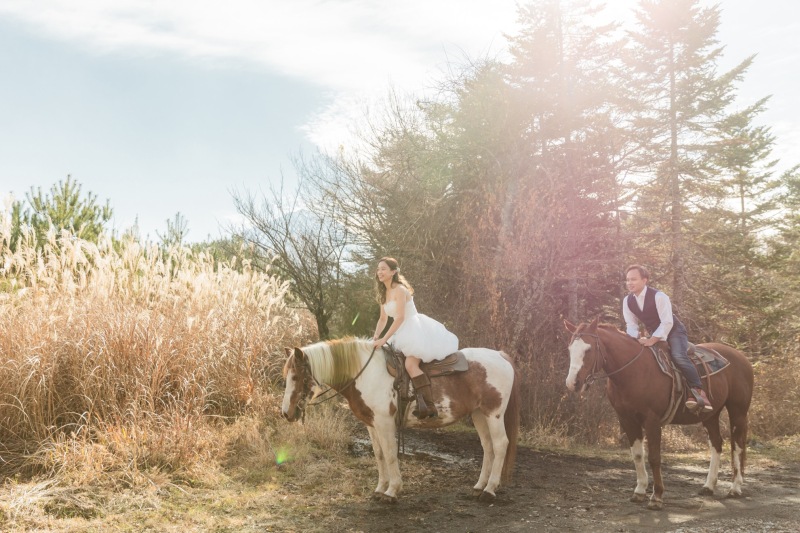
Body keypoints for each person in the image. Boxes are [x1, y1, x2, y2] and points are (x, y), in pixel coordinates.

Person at [372, 257, 458, 419]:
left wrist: (384, 340)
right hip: (399, 332)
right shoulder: (384, 293)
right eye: (378, 269)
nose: (379, 272)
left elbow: (400, 318)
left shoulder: (400, 290)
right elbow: (383, 319)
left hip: (414, 329)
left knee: (411, 365)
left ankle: (430, 405)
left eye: (383, 269)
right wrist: (376, 335)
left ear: (393, 272)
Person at [623, 265, 713, 413]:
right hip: (653, 333)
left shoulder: (659, 296)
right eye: (627, 280)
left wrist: (652, 340)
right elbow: (631, 324)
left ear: (644, 280)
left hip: (674, 331)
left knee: (678, 356)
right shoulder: (627, 300)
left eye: (633, 279)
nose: (629, 283)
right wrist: (633, 340)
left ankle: (697, 390)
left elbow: (667, 322)